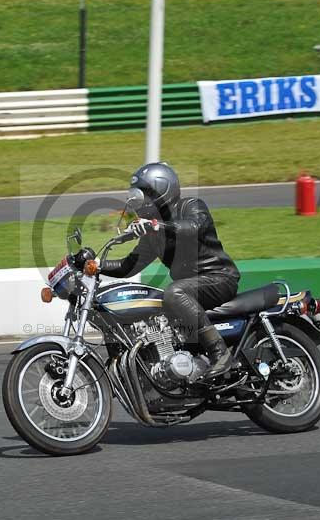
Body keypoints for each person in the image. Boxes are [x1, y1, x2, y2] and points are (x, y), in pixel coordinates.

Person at [102, 162, 241, 379]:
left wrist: (157, 225)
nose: (140, 201)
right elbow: (129, 266)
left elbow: (193, 227)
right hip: (190, 288)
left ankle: (220, 353)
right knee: (157, 314)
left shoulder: (191, 206)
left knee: (174, 292)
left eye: (145, 195)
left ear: (160, 191)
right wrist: (93, 266)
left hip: (217, 278)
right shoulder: (152, 235)